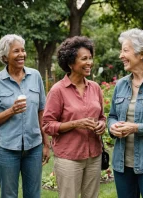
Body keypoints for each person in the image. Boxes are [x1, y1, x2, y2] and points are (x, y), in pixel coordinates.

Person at [0, 34, 50, 198]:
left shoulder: (35, 76)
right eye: (16, 51)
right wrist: (11, 111)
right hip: (6, 149)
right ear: (5, 56)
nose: (22, 54)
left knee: (33, 194)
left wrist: (46, 143)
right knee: (8, 195)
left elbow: (42, 111)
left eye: (23, 50)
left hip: (33, 146)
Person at [43, 36, 106, 198]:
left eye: (90, 58)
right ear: (71, 63)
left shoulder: (95, 88)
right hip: (69, 158)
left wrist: (101, 125)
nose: (89, 62)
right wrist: (75, 123)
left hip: (94, 155)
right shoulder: (58, 90)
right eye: (84, 59)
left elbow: (101, 117)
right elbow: (48, 125)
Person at [107, 28, 143, 198]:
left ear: (141, 54)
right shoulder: (121, 85)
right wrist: (112, 127)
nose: (120, 56)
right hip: (122, 165)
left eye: (125, 50)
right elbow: (112, 116)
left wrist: (137, 128)